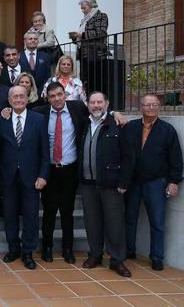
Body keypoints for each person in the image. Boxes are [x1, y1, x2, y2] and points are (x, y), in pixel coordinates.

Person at [124, 94, 183, 271]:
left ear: (159, 107)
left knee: (157, 222)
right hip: (133, 181)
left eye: (154, 105)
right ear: (140, 108)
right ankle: (129, 250)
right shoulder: (131, 127)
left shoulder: (167, 130)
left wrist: (174, 181)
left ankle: (157, 257)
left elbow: (176, 159)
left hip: (156, 183)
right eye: (147, 105)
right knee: (129, 218)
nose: (150, 108)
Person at [79, 91, 133, 277]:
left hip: (111, 184)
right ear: (88, 105)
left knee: (115, 224)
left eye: (99, 102)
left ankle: (117, 260)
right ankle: (95, 255)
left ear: (107, 104)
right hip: (87, 184)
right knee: (92, 222)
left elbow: (128, 156)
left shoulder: (117, 124)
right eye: (92, 102)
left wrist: (124, 182)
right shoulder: (84, 124)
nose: (96, 105)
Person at [33, 82, 88, 264]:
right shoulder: (40, 113)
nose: (56, 99)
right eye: (52, 96)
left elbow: (98, 114)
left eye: (59, 94)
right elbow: (20, 112)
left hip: (69, 170)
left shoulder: (78, 108)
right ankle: (47, 247)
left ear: (65, 94)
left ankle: (67, 248)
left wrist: (115, 114)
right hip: (49, 171)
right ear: (47, 98)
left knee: (67, 211)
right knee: (49, 211)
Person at [0, 86, 49, 270]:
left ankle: (28, 252)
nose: (18, 99)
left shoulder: (39, 119)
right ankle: (13, 249)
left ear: (27, 99)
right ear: (9, 100)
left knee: (31, 216)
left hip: (31, 177)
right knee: (10, 215)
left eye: (21, 96)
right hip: (8, 177)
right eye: (14, 97)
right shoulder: (1, 120)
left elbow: (45, 150)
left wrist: (43, 175)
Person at [70, 0, 109, 94]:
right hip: (84, 54)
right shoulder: (84, 20)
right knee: (85, 80)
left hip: (96, 53)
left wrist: (80, 35)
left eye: (84, 8)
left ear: (92, 6)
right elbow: (83, 36)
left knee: (96, 80)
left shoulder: (101, 16)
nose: (82, 11)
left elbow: (100, 33)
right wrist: (74, 37)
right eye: (82, 9)